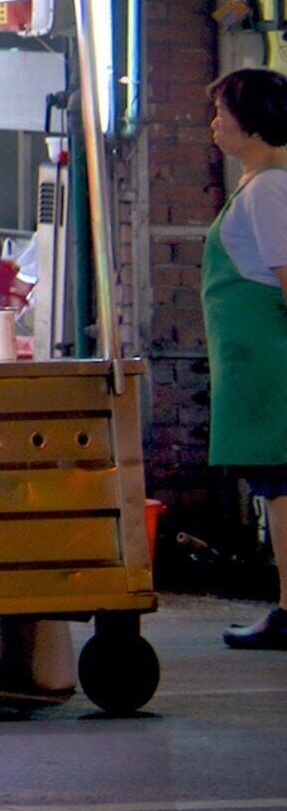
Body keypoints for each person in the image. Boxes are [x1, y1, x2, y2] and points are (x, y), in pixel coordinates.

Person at [206, 67, 287, 648]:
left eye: (222, 116)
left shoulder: (269, 190)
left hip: (271, 365)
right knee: (277, 486)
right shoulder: (258, 184)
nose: (213, 125)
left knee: (283, 487)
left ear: (252, 125)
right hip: (256, 364)